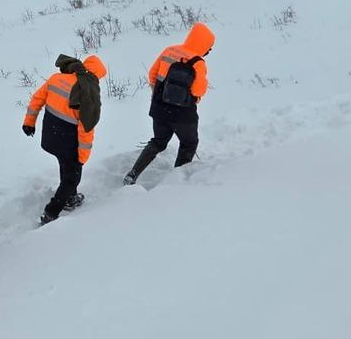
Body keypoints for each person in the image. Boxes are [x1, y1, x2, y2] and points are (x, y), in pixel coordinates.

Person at [124, 22, 216, 184]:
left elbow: (152, 74)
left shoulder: (170, 50)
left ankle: (133, 173)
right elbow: (198, 91)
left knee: (158, 141)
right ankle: (177, 182)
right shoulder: (198, 62)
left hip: (159, 108)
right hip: (183, 114)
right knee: (189, 143)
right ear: (204, 45)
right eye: (209, 47)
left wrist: (159, 95)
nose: (208, 51)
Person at [23, 54, 108, 225]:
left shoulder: (57, 78)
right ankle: (51, 212)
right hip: (68, 141)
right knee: (72, 178)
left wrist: (29, 123)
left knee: (66, 165)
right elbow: (86, 128)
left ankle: (70, 198)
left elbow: (37, 99)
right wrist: (82, 157)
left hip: (50, 136)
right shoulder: (87, 92)